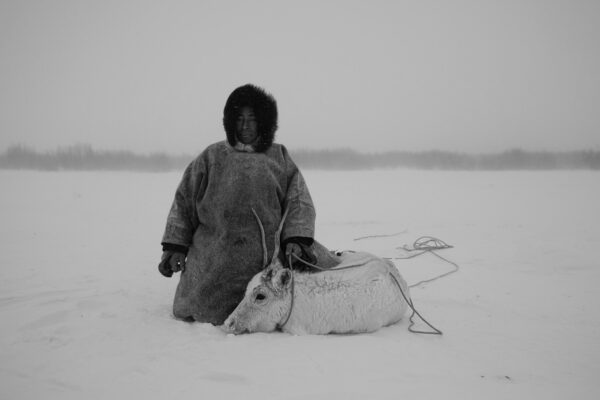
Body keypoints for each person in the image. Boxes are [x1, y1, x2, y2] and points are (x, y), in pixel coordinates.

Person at [158, 84, 316, 325]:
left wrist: (296, 239)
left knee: (265, 303)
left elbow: (299, 201)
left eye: (252, 119)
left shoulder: (279, 158)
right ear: (230, 122)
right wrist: (175, 247)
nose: (245, 125)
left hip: (262, 263)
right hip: (212, 263)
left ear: (264, 122)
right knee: (197, 310)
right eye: (239, 118)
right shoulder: (211, 157)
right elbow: (183, 202)